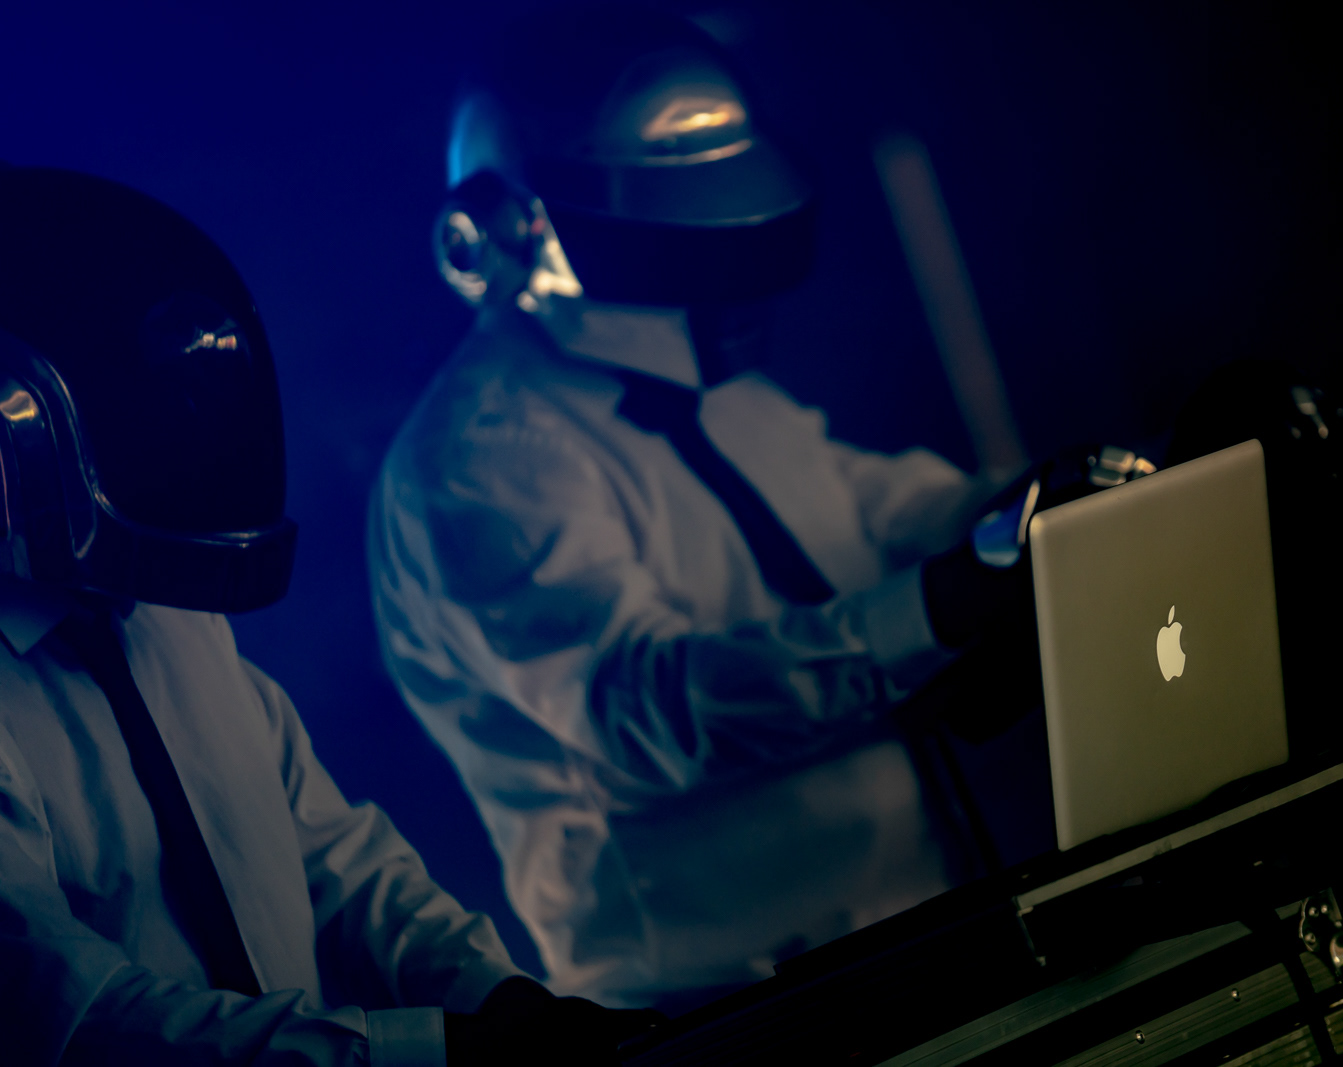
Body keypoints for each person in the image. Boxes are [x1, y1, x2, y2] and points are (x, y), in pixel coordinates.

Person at [366, 5, 1045, 1012]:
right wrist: (940, 602)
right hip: (730, 1009)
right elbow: (650, 710)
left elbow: (873, 510)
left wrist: (1056, 507)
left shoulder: (706, 382)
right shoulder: (476, 463)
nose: (703, 265)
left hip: (923, 928)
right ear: (501, 232)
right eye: (657, 230)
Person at [0, 165, 655, 1066]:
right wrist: (425, 1053)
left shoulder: (166, 618)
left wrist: (498, 999)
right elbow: (74, 1017)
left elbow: (333, 859)